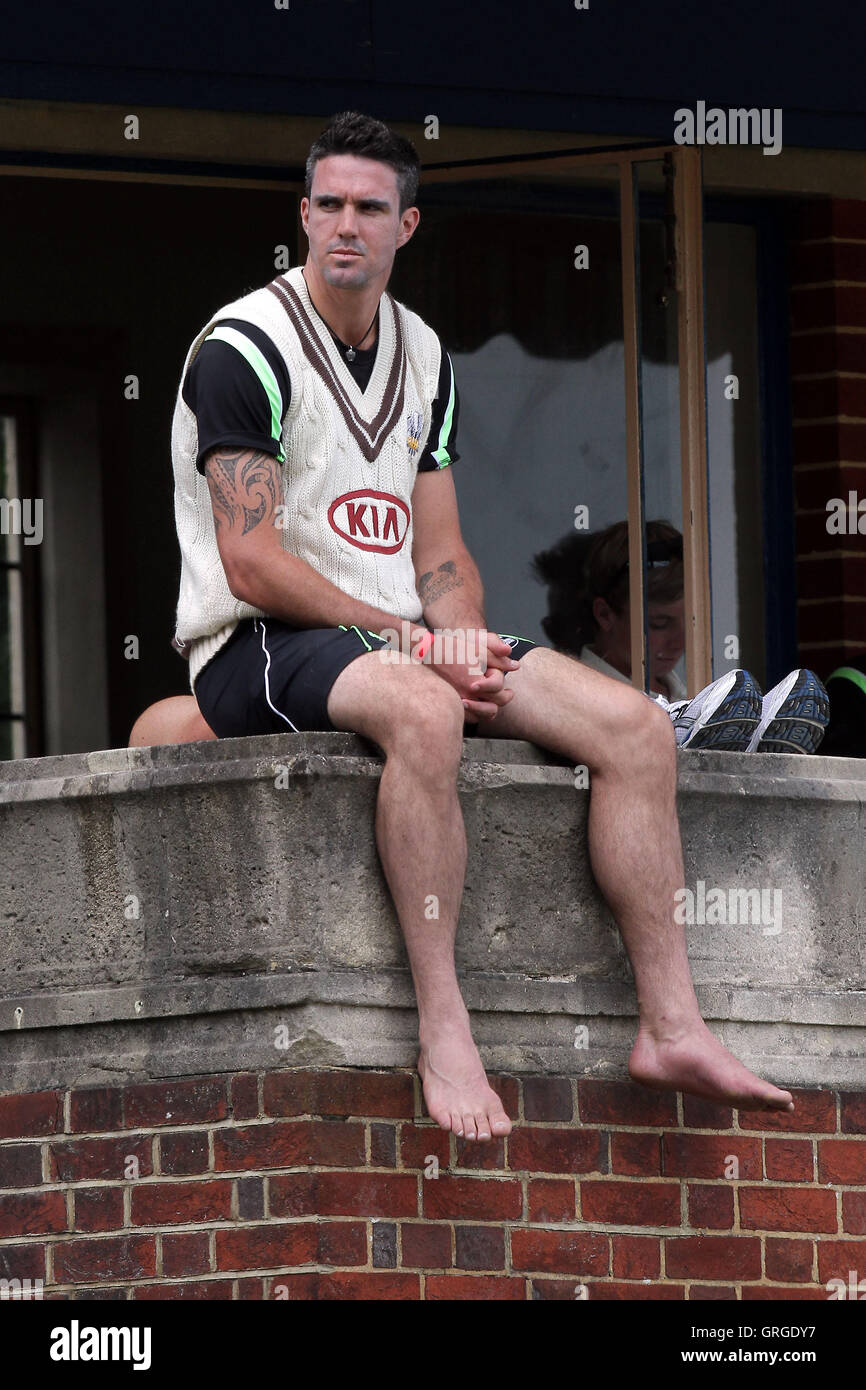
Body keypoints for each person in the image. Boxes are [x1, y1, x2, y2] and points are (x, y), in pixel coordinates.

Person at [134, 110, 797, 1143]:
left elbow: (439, 556)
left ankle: (670, 1024)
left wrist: (464, 639)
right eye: (328, 205)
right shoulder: (241, 346)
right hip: (256, 642)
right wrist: (410, 646)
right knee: (422, 714)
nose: (344, 225)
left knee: (631, 727)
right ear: (301, 215)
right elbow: (250, 560)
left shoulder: (426, 352)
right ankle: (444, 1025)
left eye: (368, 207)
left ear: (407, 225)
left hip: (391, 638)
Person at [533, 521, 830, 754]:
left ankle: (744, 741)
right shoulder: (564, 695)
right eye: (660, 623)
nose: (679, 642)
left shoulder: (684, 687)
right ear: (604, 614)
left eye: (689, 622)